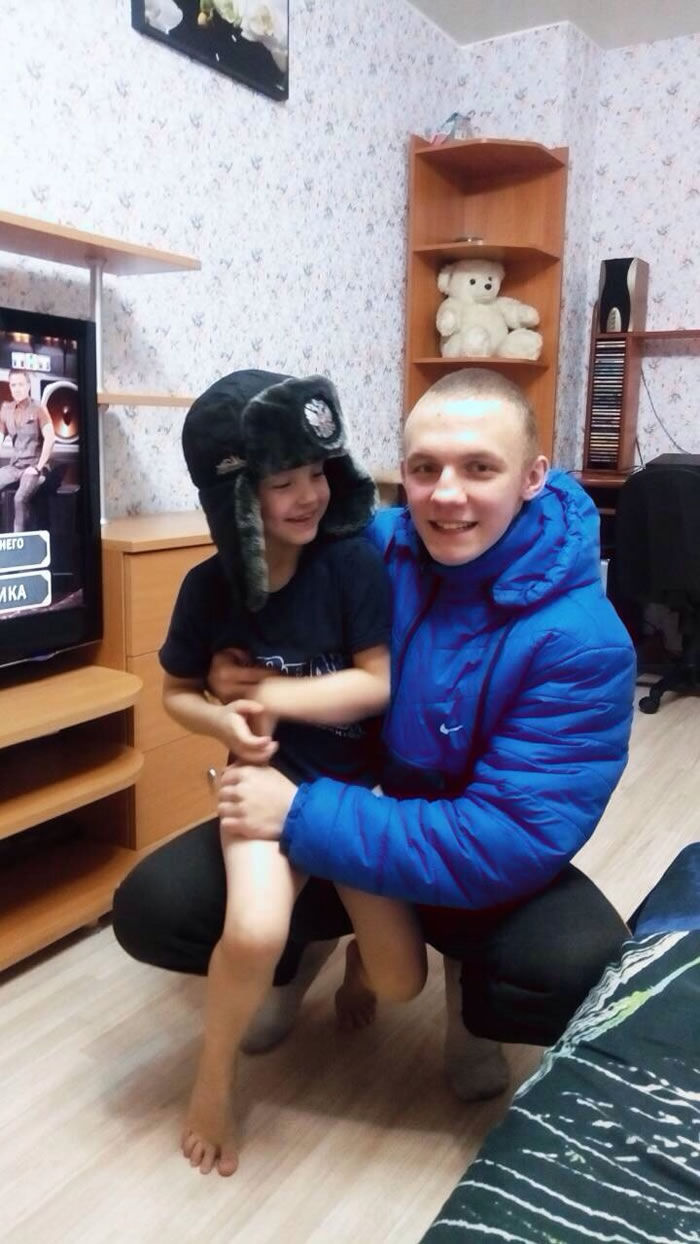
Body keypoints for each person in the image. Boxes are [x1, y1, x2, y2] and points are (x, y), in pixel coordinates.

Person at [114, 367, 636, 1113]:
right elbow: (270, 594)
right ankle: (298, 956)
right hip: (351, 798)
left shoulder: (583, 643)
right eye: (425, 469)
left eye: (479, 468)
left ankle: (469, 995)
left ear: (532, 477)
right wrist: (233, 673)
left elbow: (505, 837)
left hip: (454, 851)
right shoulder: (372, 548)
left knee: (574, 964)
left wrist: (298, 811)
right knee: (157, 905)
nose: (446, 495)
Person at [159, 369, 426, 1176]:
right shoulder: (207, 589)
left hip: (350, 794)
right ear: (237, 500)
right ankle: (213, 1078)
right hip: (258, 784)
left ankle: (349, 962)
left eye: (318, 472)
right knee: (252, 932)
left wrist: (267, 692)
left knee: (401, 983)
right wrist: (222, 719)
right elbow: (176, 693)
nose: (309, 495)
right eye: (283, 483)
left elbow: (377, 683)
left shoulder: (349, 566)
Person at [0, 370, 55, 532]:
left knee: (19, 499)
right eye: (13, 385)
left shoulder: (38, 408)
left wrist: (38, 467)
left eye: (21, 384)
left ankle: (20, 540)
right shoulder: (6, 409)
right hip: (15, 466)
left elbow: (50, 438)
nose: (17, 389)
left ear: (28, 386)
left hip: (35, 466)